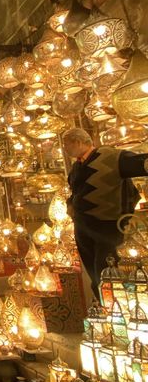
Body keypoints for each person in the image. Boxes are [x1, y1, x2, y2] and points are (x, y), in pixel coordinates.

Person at [63, 127, 148, 298]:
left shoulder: (112, 157)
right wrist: (71, 205)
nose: (65, 150)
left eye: (67, 145)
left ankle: (116, 306)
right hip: (83, 227)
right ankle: (104, 306)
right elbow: (76, 192)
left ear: (78, 142)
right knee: (95, 274)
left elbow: (142, 164)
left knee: (107, 271)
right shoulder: (77, 167)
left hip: (107, 226)